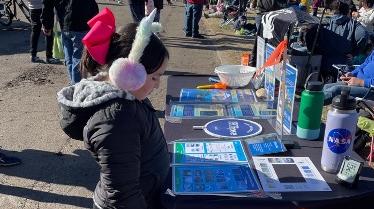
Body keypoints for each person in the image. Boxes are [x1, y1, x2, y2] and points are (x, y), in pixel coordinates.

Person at [57, 8, 169, 209]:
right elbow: (123, 196)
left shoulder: (130, 97)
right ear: (129, 72)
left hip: (147, 192)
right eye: (155, 76)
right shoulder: (116, 120)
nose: (158, 84)